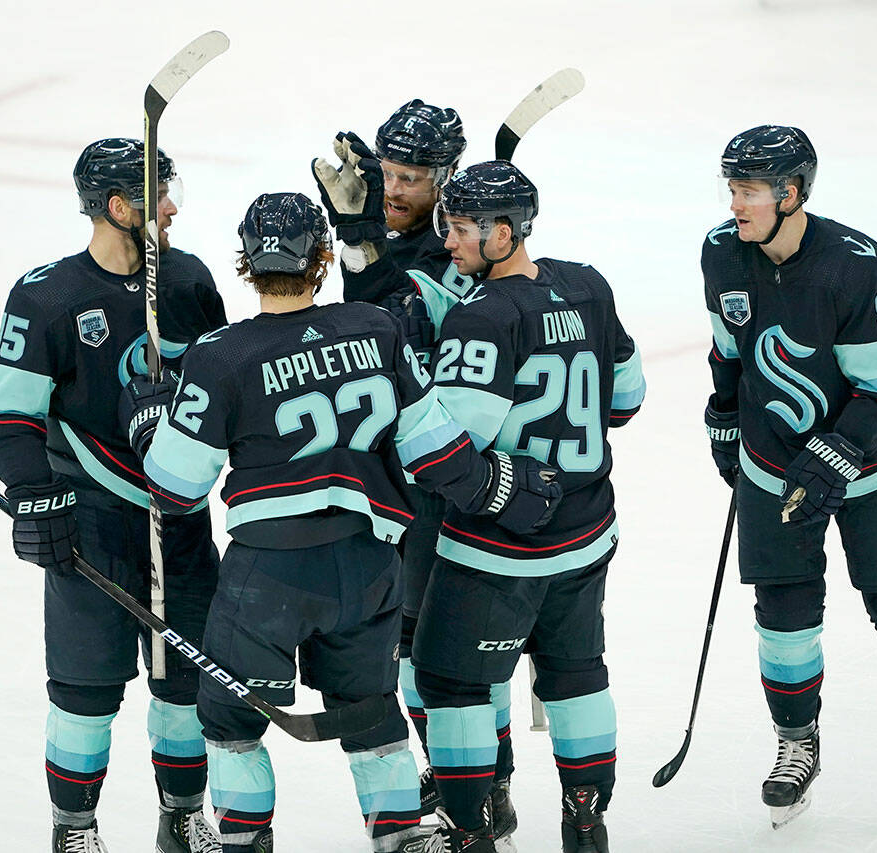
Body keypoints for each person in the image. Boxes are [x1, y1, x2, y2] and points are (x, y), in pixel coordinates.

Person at [123, 192, 563, 853]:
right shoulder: (375, 328)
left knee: (228, 716)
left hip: (268, 573)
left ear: (246, 262)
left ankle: (244, 843)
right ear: (322, 258)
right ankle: (401, 841)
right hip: (368, 566)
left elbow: (174, 491)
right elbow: (440, 456)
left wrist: (151, 419)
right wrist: (509, 489)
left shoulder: (220, 355)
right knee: (373, 715)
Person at [701, 124, 877, 827]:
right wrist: (723, 417)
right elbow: (728, 349)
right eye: (732, 188)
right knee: (784, 622)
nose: (735, 203)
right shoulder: (719, 252)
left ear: (791, 192)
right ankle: (797, 744)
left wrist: (839, 448)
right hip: (774, 469)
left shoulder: (857, 264)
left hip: (875, 470)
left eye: (749, 190)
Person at [0, 137, 227, 853]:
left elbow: (225, 388)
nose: (172, 208)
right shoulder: (47, 295)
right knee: (85, 689)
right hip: (90, 520)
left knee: (185, 682)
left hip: (178, 518)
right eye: (158, 198)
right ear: (120, 208)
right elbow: (8, 417)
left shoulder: (187, 282)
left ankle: (182, 818)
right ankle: (75, 828)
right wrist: (33, 491)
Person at [407, 161, 645, 852]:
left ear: (502, 232)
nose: (447, 242)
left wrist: (408, 388)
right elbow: (625, 400)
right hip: (589, 532)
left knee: (450, 681)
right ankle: (586, 819)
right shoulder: (588, 285)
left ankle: (470, 831)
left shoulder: (479, 316)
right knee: (575, 674)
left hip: (498, 552)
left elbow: (449, 452)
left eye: (457, 229)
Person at [311, 102, 522, 838]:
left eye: (413, 177)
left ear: (448, 179)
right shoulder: (401, 239)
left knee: (457, 644)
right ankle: (458, 766)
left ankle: (490, 780)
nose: (396, 188)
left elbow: (384, 326)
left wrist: (364, 239)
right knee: (408, 640)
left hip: (455, 471)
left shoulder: (456, 254)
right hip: (399, 472)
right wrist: (362, 240)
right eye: (389, 173)